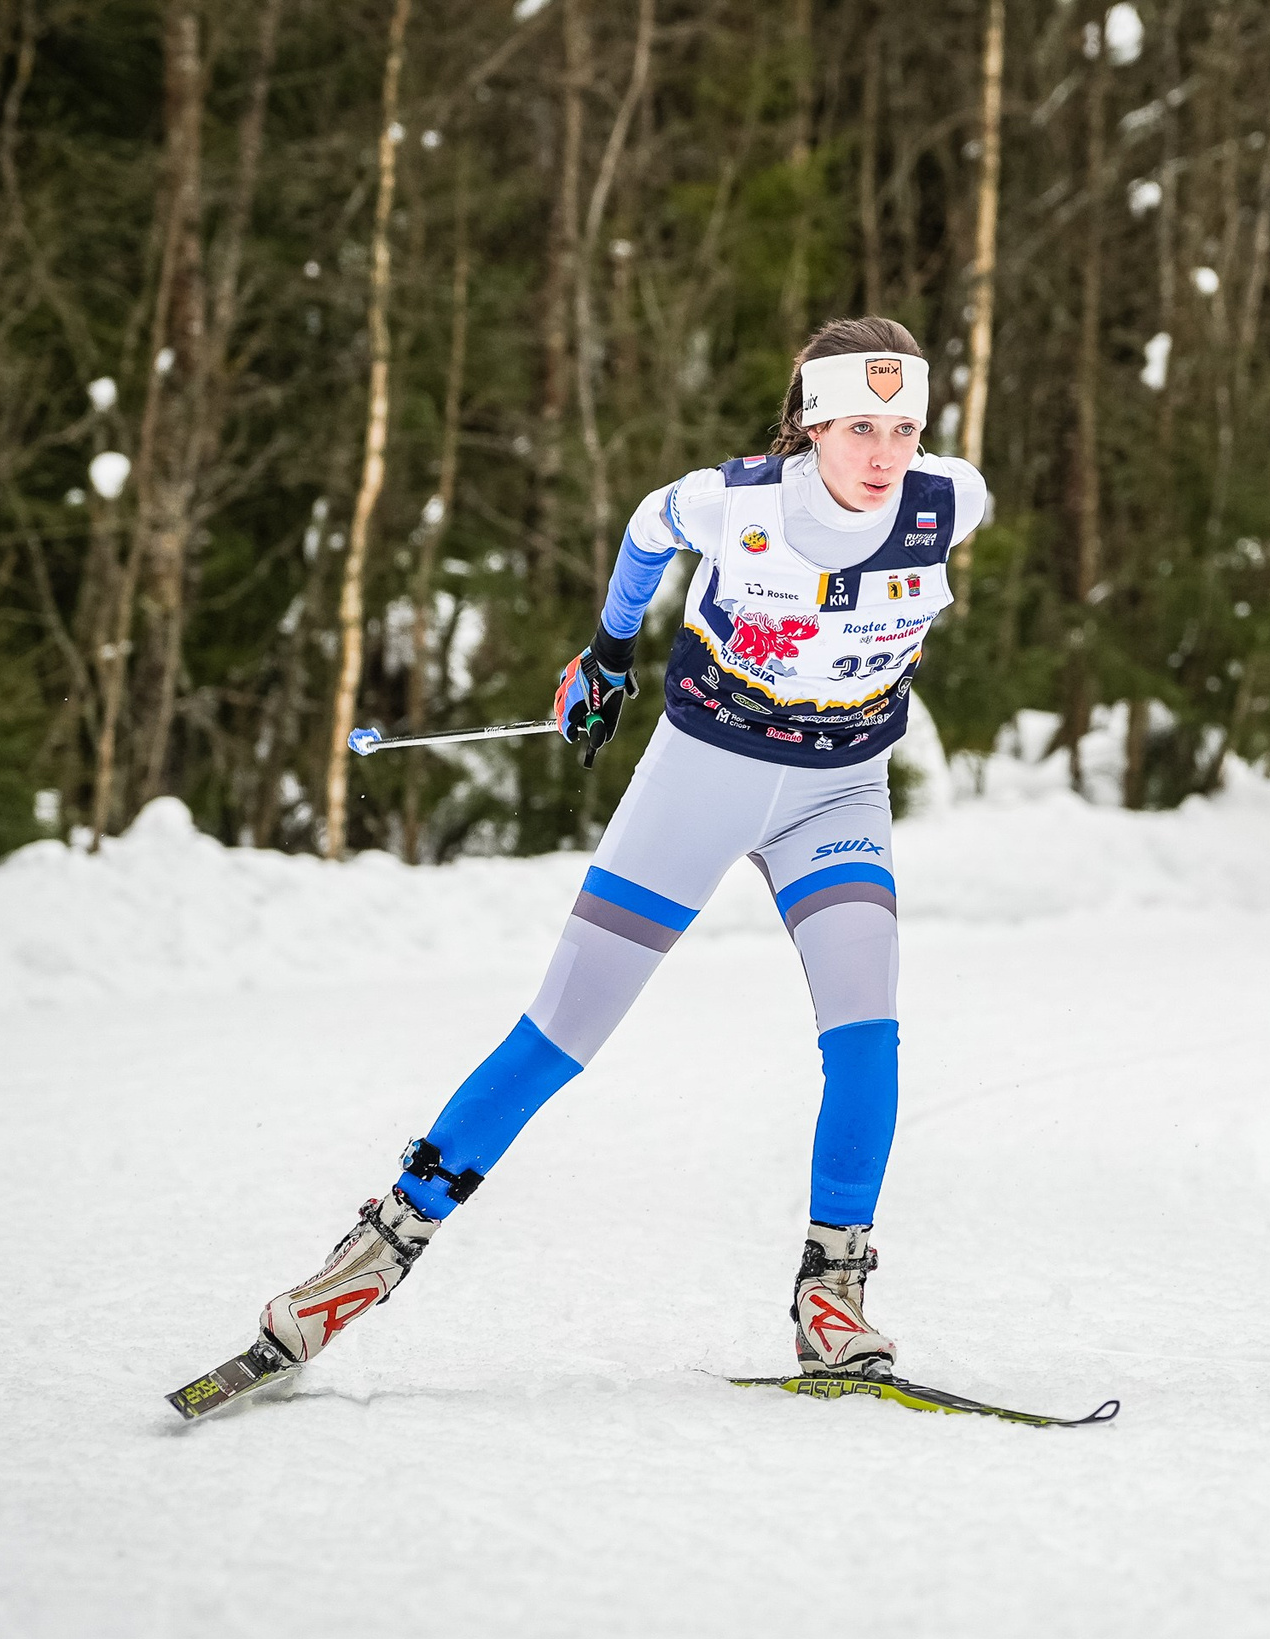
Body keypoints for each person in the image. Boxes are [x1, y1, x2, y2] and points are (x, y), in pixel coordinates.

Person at [247, 317, 984, 1386]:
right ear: (813, 423)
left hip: (840, 793)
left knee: (866, 1037)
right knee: (561, 1032)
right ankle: (365, 1261)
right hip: (700, 781)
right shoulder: (734, 502)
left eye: (904, 425)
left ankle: (832, 1297)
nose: (885, 453)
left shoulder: (946, 498)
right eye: (861, 425)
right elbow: (649, 526)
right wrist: (608, 650)